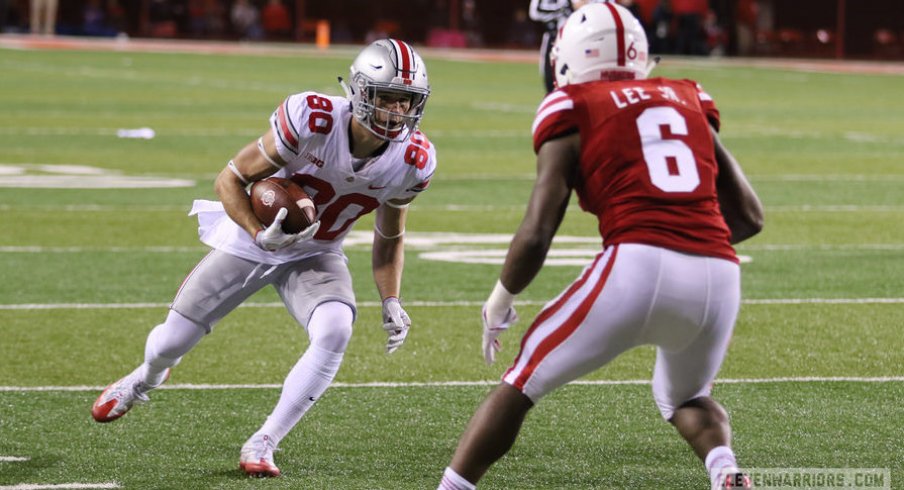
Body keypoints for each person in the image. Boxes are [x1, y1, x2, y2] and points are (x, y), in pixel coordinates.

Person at [438, 3, 762, 490]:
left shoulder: (572, 104)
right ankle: (725, 472)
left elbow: (537, 230)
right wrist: (689, 245)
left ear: (570, 55)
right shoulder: (688, 95)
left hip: (636, 264)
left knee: (523, 380)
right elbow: (750, 216)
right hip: (719, 274)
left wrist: (500, 299)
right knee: (685, 397)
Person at [92, 38, 436, 478]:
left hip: (316, 251)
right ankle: (146, 377)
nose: (396, 112)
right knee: (170, 343)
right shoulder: (312, 119)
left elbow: (390, 235)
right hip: (251, 238)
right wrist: (258, 233)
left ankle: (264, 440)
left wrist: (391, 299)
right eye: (386, 97)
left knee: (335, 329)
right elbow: (228, 179)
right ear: (359, 92)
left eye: (406, 102)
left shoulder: (414, 160)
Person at [529, 0, 598, 93]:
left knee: (582, 76)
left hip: (580, 38)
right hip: (554, 38)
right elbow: (534, 12)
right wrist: (565, 8)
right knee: (550, 77)